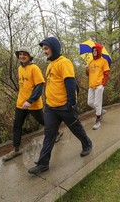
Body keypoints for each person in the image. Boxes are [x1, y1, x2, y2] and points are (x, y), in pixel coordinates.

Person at [28, 37, 92, 175]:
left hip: (64, 106)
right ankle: (43, 163)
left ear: (54, 48)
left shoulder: (64, 63)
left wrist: (71, 104)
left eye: (46, 48)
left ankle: (87, 144)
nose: (44, 51)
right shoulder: (51, 64)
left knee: (76, 128)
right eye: (43, 49)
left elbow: (70, 84)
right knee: (49, 134)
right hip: (51, 108)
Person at [3, 47, 45, 162]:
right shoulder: (19, 68)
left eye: (24, 54)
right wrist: (24, 101)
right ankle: (16, 149)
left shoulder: (34, 68)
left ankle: (55, 132)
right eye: (20, 54)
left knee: (43, 121)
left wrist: (30, 101)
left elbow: (39, 86)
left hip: (33, 104)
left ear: (29, 56)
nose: (22, 56)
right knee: (17, 125)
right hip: (21, 103)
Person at [86, 43, 110, 130]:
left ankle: (98, 120)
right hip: (91, 85)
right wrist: (87, 69)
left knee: (97, 103)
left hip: (99, 85)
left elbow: (106, 73)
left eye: (96, 50)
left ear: (99, 51)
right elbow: (89, 74)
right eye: (93, 51)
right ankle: (101, 111)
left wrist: (102, 84)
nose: (94, 52)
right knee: (90, 102)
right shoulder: (91, 62)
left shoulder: (104, 61)